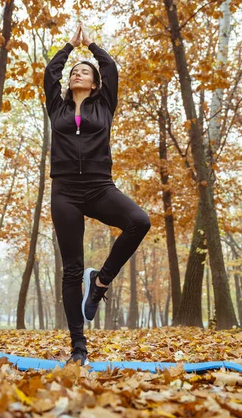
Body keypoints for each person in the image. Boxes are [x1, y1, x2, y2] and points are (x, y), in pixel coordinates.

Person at [44, 22, 151, 365]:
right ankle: (78, 348)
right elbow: (51, 72)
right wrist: (67, 48)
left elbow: (110, 67)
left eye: (85, 71)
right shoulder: (57, 108)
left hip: (99, 186)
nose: (78, 73)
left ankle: (101, 280)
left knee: (139, 221)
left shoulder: (105, 104)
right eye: (75, 71)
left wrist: (90, 46)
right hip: (65, 192)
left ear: (95, 82)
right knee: (71, 269)